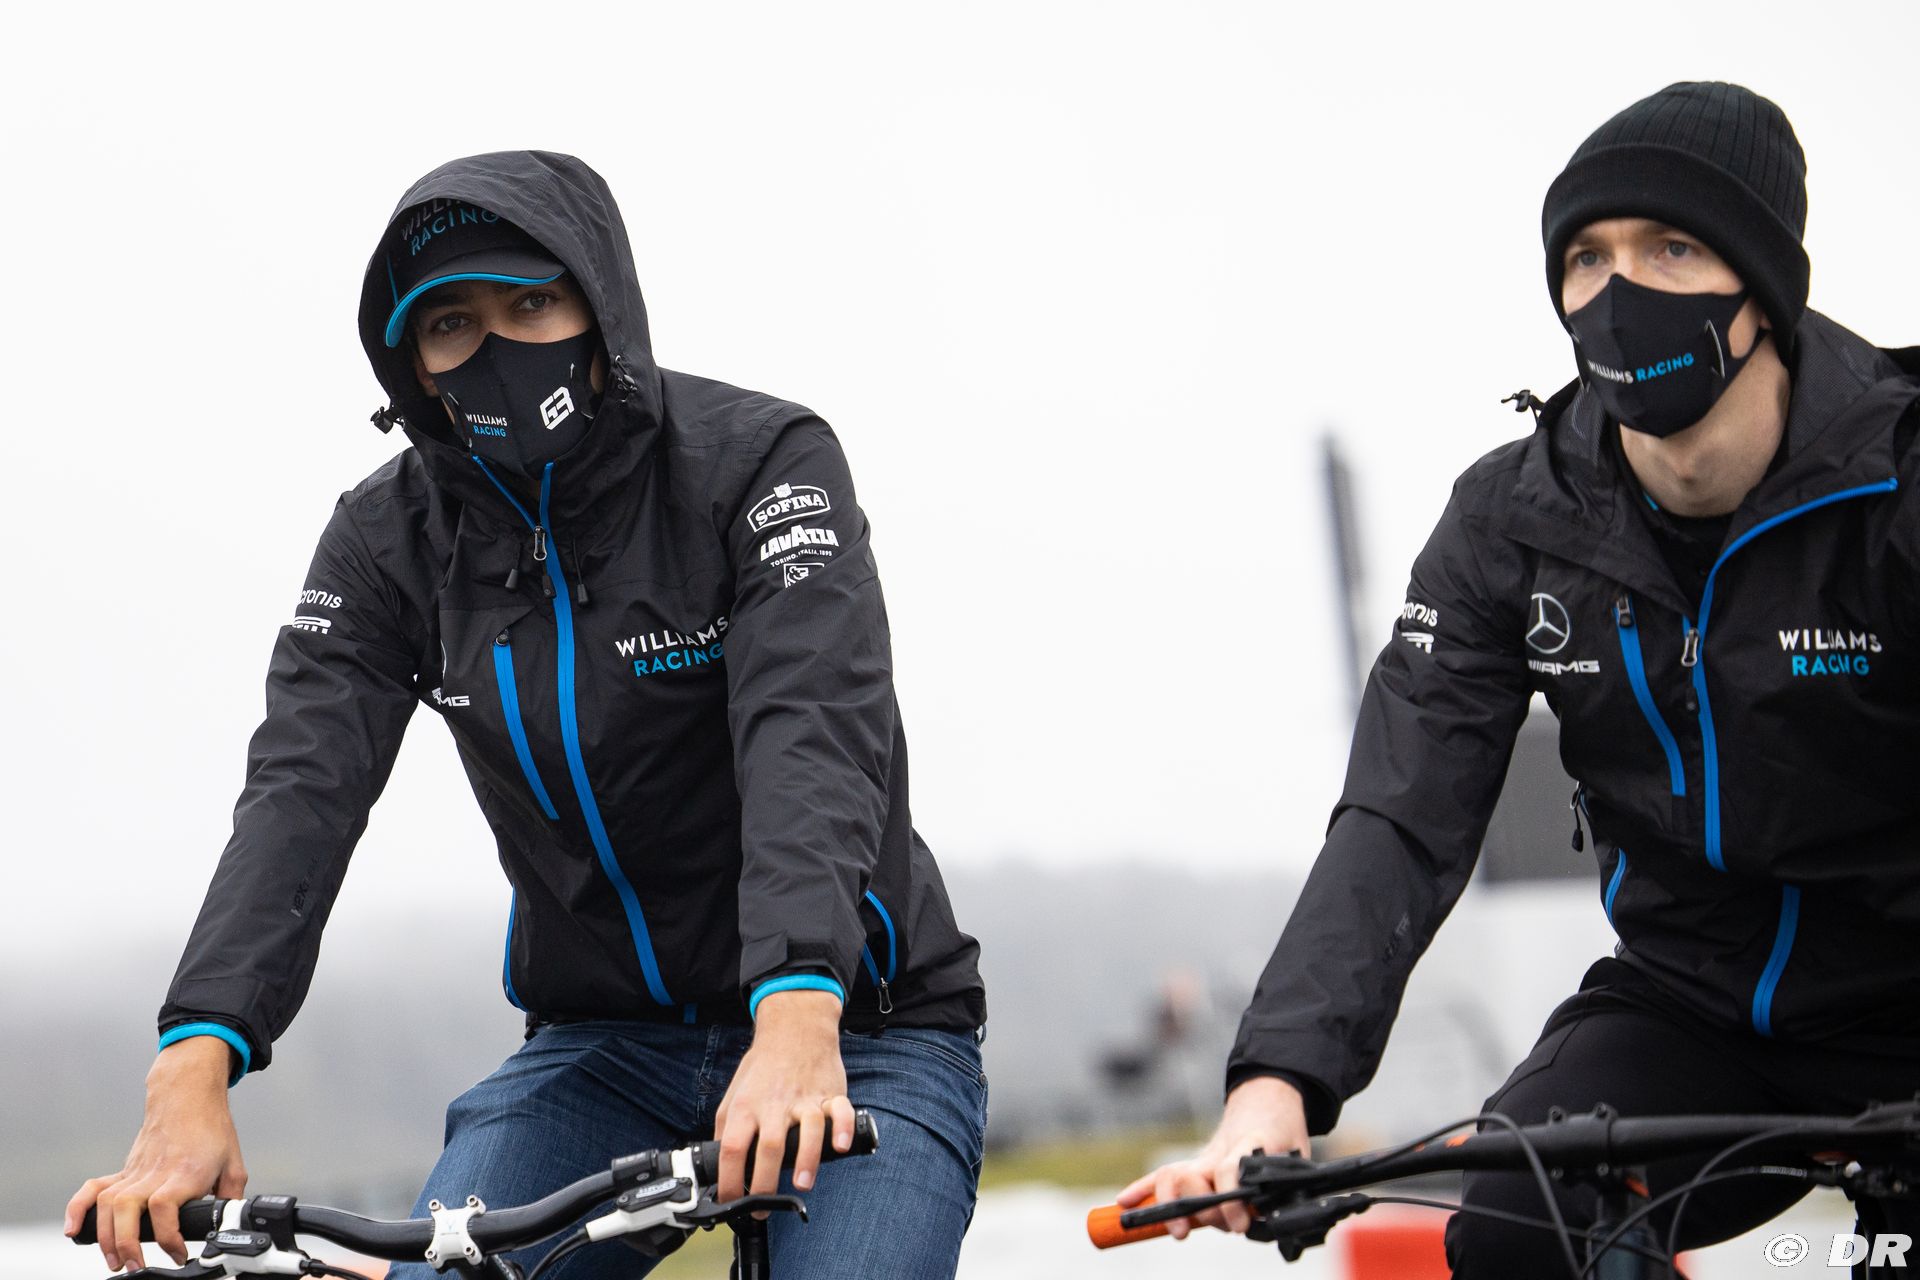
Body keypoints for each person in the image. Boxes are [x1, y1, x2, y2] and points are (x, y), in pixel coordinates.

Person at [66, 151, 988, 1278]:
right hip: (601, 1048)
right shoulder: (385, 541)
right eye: (451, 322)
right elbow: (300, 791)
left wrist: (798, 1013)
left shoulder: (761, 462)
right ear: (411, 361)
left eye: (533, 303)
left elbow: (811, 731)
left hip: (860, 1026)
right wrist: (190, 1063)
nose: (498, 346)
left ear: (601, 309)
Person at [1123, 82, 1920, 1275]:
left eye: (1672, 247)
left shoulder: (1900, 480)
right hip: (1694, 1008)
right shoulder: (1512, 517)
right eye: (1587, 257)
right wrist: (1273, 1086)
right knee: (1517, 1221)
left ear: (1763, 288)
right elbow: (1401, 815)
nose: (1618, 289)